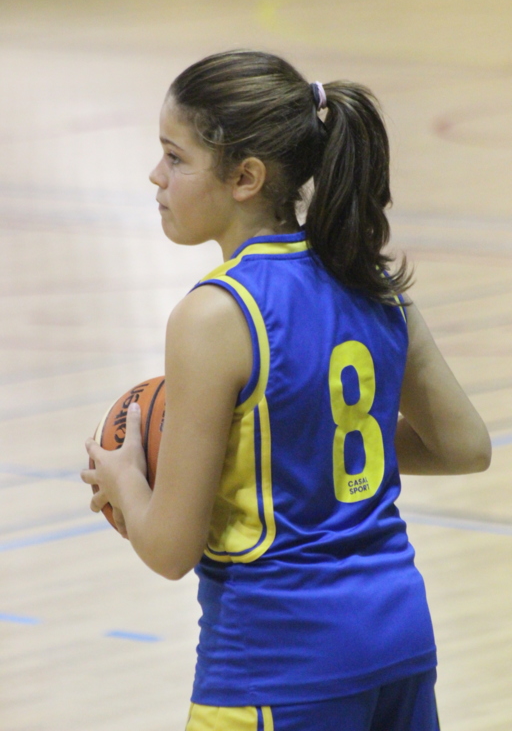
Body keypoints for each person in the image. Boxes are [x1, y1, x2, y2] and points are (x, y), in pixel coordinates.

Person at [81, 50, 492, 731]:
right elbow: (465, 446)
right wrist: (303, 444)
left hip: (277, 667)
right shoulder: (371, 282)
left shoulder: (214, 315)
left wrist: (124, 478)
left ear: (245, 177)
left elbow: (170, 549)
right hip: (401, 644)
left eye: (175, 158)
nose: (156, 176)